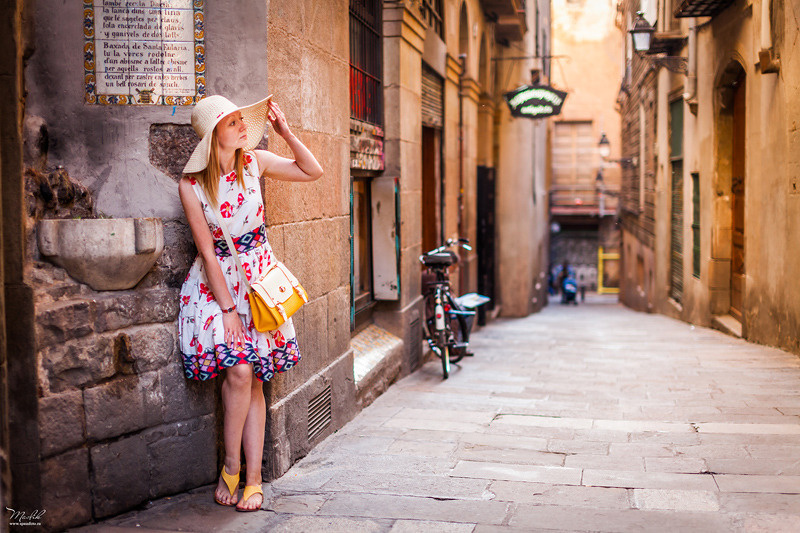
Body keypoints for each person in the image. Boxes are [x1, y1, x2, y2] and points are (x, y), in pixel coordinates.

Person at [177, 94, 323, 512]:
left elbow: (312, 171)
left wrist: (287, 134)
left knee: (256, 377)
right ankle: (230, 465)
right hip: (218, 286)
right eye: (233, 123)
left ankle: (254, 478)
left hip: (259, 281)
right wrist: (226, 310)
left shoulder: (254, 162)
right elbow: (206, 252)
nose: (243, 127)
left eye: (243, 120)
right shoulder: (191, 185)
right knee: (240, 372)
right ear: (213, 137)